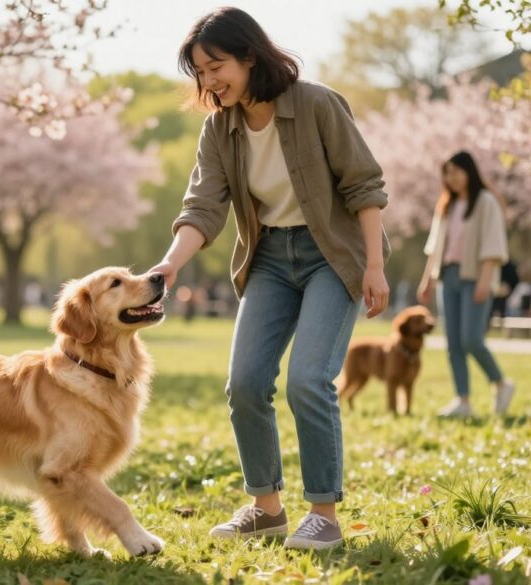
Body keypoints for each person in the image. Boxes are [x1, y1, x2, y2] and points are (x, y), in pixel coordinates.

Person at [150, 7, 390, 550]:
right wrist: (171, 263)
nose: (209, 81)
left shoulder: (317, 104)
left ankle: (323, 515)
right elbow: (203, 206)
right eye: (200, 72)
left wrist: (374, 266)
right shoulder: (220, 128)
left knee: (309, 379)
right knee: (246, 383)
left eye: (216, 67)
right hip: (270, 260)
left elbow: (364, 185)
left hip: (333, 254)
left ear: (250, 56)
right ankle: (266, 509)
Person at [417, 151, 514, 417]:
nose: (452, 178)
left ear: (469, 171)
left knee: (471, 339)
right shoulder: (446, 205)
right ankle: (463, 401)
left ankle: (501, 383)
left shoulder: (485, 202)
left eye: (456, 171)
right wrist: (427, 281)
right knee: (453, 343)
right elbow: (435, 248)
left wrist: (485, 281)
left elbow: (493, 244)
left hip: (475, 277)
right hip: (447, 278)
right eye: (447, 173)